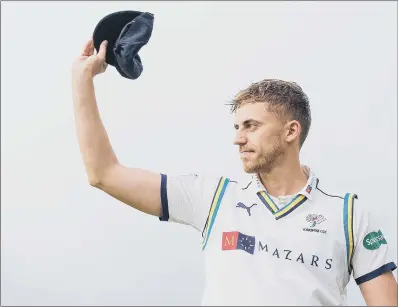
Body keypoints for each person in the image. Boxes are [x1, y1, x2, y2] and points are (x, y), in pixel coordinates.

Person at [72, 39, 398, 306]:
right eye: (237, 127)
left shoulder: (349, 214)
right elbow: (104, 173)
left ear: (291, 131)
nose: (238, 138)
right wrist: (81, 80)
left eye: (251, 126)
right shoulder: (214, 198)